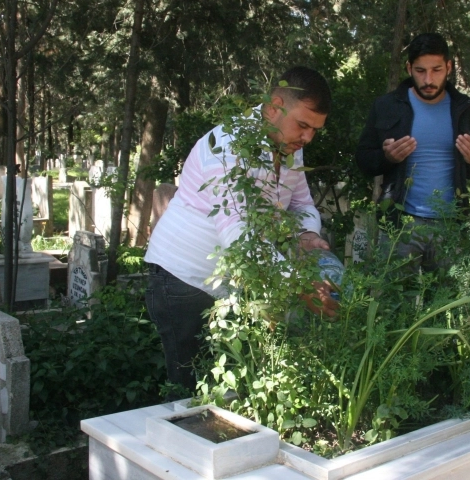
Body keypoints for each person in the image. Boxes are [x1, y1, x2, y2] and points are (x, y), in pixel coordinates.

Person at [144, 66, 338, 393]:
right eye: (303, 125)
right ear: (274, 106)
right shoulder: (229, 148)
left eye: (315, 130)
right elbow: (241, 241)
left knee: (235, 387)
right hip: (183, 279)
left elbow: (302, 203)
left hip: (233, 284)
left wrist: (305, 234)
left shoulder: (290, 145)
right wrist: (301, 286)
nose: (307, 138)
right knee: (191, 393)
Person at [355, 32, 470, 270]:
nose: (428, 80)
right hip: (400, 224)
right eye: (420, 71)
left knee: (447, 303)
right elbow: (364, 160)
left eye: (436, 70)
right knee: (393, 303)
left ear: (449, 67)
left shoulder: (466, 109)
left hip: (451, 225)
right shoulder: (386, 106)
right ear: (408, 68)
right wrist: (387, 158)